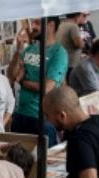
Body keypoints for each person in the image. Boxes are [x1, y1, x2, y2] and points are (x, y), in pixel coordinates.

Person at [9, 16, 68, 146]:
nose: (33, 27)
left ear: (51, 25)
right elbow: (12, 77)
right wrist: (18, 52)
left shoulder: (59, 52)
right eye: (32, 23)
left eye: (37, 23)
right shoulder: (29, 49)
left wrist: (23, 81)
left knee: (43, 163)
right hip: (19, 114)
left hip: (42, 117)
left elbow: (47, 87)